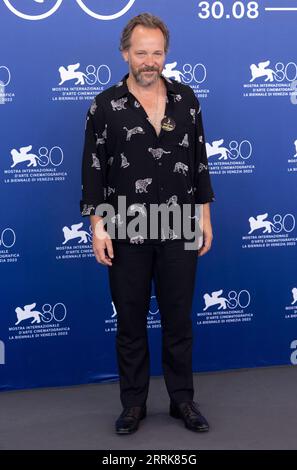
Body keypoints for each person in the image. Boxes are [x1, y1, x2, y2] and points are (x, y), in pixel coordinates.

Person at [80, 12, 215, 435]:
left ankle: (182, 401)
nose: (149, 60)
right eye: (141, 52)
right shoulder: (105, 105)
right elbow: (94, 171)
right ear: (126, 53)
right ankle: (133, 405)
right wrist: (99, 228)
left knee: (179, 320)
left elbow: (200, 164)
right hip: (126, 227)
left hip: (179, 225)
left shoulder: (187, 99)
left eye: (157, 52)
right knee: (131, 323)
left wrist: (205, 218)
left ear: (165, 55)